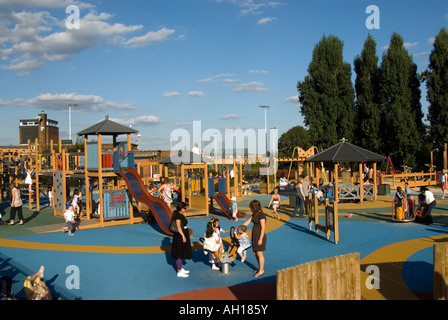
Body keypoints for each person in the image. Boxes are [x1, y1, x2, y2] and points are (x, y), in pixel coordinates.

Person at [243, 200, 266, 278]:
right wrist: (240, 227)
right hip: (255, 235)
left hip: (260, 235)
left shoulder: (261, 215)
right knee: (255, 253)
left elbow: (263, 228)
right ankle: (260, 268)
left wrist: (260, 239)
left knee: (259, 253)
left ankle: (261, 270)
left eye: (251, 207)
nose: (250, 209)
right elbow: (248, 222)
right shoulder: (254, 214)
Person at [170, 202, 192, 278]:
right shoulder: (178, 216)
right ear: (181, 209)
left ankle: (181, 268)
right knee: (179, 252)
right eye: (184, 208)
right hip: (179, 236)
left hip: (183, 233)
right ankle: (179, 271)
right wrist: (183, 236)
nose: (185, 209)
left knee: (182, 251)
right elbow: (178, 227)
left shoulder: (180, 214)